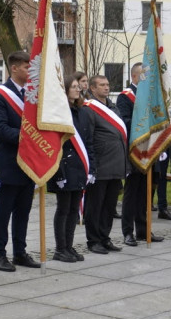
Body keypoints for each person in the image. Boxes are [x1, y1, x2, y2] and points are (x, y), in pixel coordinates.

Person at [0, 51, 40, 272]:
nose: (31, 71)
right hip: (9, 163)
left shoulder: (33, 95)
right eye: (28, 67)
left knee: (23, 212)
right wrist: (29, 137)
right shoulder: (0, 95)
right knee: (3, 212)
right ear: (15, 68)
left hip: (29, 164)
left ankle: (20, 252)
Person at [118, 62, 163, 246]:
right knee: (131, 193)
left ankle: (143, 230)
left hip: (149, 149)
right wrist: (145, 126)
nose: (148, 80)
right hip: (135, 150)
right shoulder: (125, 97)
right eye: (144, 76)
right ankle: (128, 232)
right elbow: (125, 121)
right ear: (135, 76)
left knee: (145, 194)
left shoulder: (150, 97)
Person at [51, 74, 95, 261]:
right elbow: (55, 144)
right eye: (74, 86)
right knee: (63, 208)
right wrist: (59, 173)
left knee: (73, 210)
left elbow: (89, 142)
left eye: (79, 86)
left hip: (80, 166)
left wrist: (91, 168)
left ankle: (69, 246)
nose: (78, 89)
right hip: (65, 166)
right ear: (65, 89)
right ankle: (60, 249)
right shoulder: (58, 113)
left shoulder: (83, 112)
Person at [85, 75, 127, 253]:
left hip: (116, 165)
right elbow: (88, 138)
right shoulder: (89, 109)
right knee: (95, 206)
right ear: (92, 89)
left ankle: (105, 237)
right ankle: (93, 240)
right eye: (102, 85)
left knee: (110, 206)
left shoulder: (113, 107)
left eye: (108, 84)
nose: (106, 87)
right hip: (100, 165)